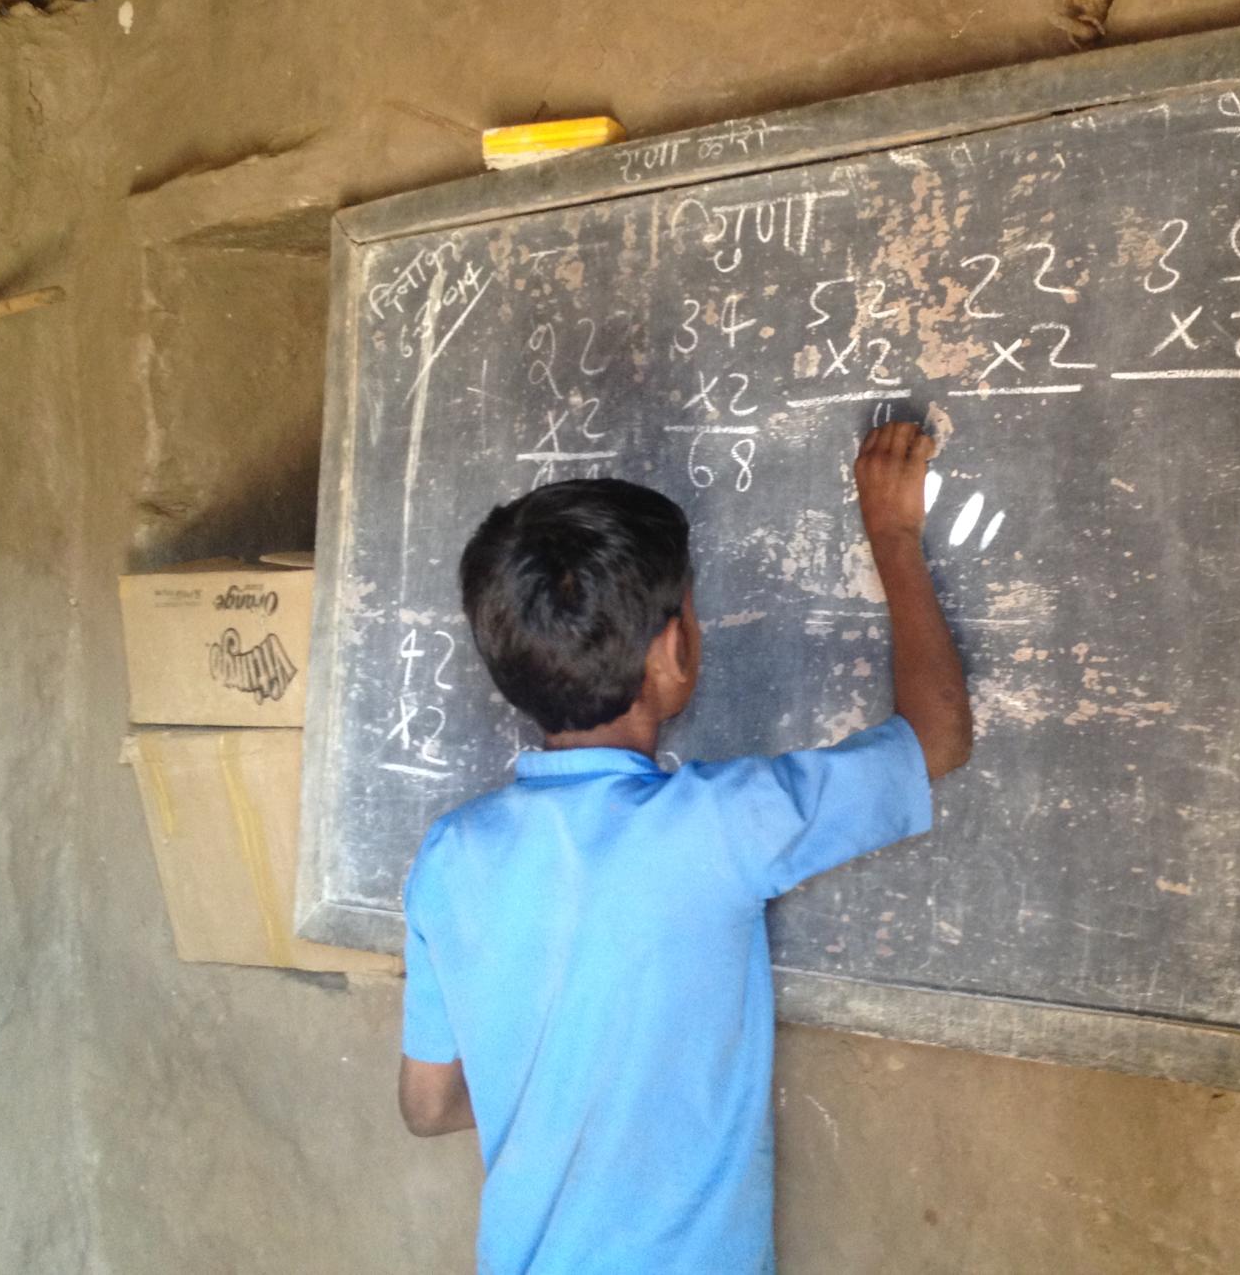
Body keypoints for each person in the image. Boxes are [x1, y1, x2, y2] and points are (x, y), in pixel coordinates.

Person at [397, 421, 972, 1274]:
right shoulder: (722, 827)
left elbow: (430, 1104)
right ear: (673, 651)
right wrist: (892, 535)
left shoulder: (451, 857)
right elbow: (937, 740)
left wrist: (560, 1079)